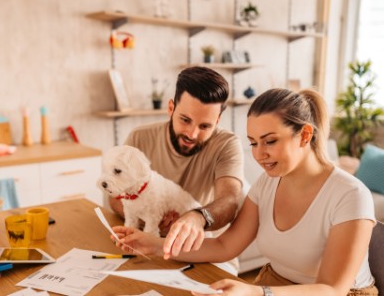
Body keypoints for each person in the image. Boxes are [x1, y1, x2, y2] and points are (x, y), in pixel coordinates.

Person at [112, 88, 378, 296]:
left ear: (305, 135)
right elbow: (225, 245)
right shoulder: (267, 183)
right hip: (275, 286)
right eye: (253, 143)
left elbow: (332, 290)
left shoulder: (350, 195)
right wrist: (157, 245)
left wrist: (256, 291)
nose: (260, 155)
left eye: (270, 141)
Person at [109, 66, 245, 263]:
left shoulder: (227, 144)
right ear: (171, 108)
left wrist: (197, 218)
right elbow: (115, 195)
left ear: (218, 120)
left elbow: (230, 201)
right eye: (185, 120)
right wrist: (146, 216)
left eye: (205, 126)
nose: (192, 134)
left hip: (202, 254)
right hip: (146, 246)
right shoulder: (139, 138)